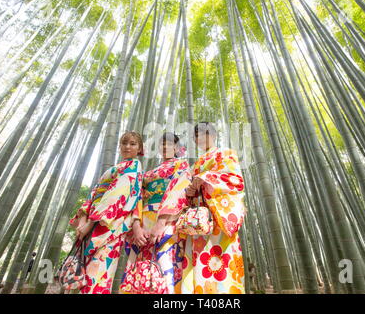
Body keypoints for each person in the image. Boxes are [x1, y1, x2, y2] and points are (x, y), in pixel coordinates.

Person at [161, 122, 247, 294]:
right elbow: (186, 190)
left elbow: (235, 180)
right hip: (198, 221)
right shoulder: (195, 164)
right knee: (198, 265)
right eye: (197, 134)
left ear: (214, 135)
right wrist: (191, 190)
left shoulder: (227, 153)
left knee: (222, 262)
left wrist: (205, 177)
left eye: (205, 133)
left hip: (220, 215)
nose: (201, 137)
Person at [69, 131, 145, 294]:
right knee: (85, 274)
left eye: (132, 144)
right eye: (124, 143)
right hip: (93, 222)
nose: (127, 147)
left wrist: (90, 222)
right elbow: (95, 192)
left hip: (110, 224)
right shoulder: (115, 168)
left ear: (140, 149)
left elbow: (119, 193)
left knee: (99, 272)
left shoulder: (135, 166)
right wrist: (83, 220)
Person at [120, 132, 189, 294]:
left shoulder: (181, 166)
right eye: (162, 144)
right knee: (137, 272)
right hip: (143, 223)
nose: (165, 147)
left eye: (170, 144)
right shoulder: (149, 173)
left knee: (166, 266)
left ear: (177, 148)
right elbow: (137, 197)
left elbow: (178, 192)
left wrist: (161, 223)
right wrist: (136, 226)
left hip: (168, 221)